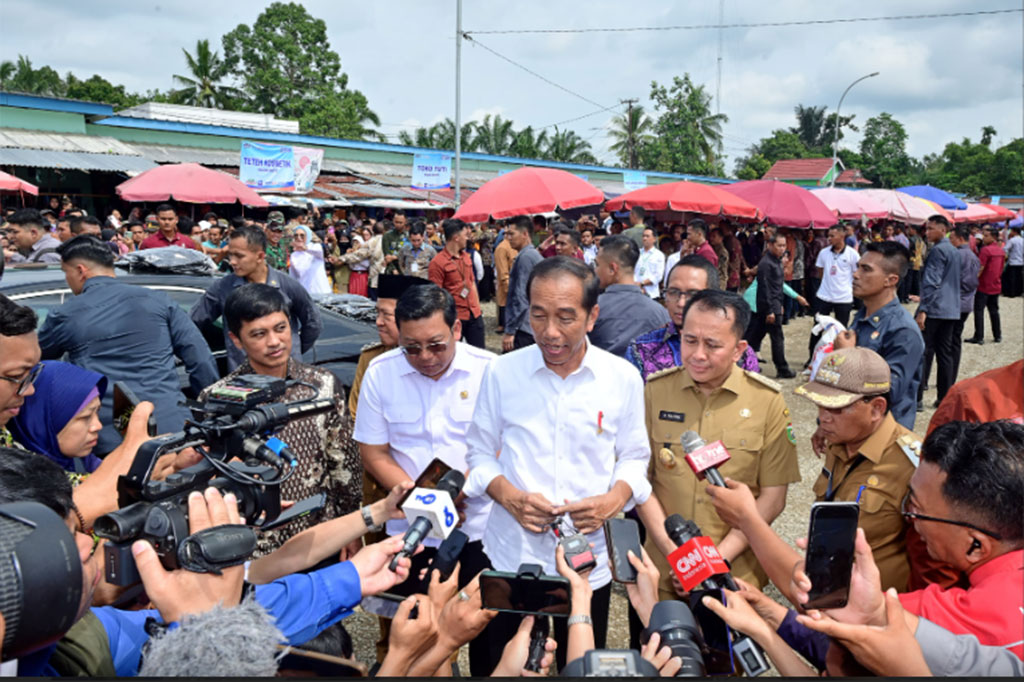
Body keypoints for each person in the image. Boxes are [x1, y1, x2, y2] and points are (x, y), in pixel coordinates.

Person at [466, 256, 652, 664]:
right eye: (538, 315)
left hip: (586, 560)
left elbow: (635, 458)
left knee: (580, 663)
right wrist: (510, 497)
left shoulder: (622, 378)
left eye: (566, 317)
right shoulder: (502, 372)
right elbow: (478, 454)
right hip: (511, 553)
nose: (550, 332)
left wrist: (612, 500)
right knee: (503, 662)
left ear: (592, 316)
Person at [354, 283, 497, 674]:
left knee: (490, 643)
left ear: (456, 330)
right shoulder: (381, 374)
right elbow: (374, 451)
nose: (425, 357)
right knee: (418, 647)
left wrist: (465, 489)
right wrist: (424, 498)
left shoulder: (491, 372)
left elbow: (503, 446)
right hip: (412, 534)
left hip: (483, 532)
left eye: (436, 345)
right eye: (411, 348)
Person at [795, 420, 1024, 661]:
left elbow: (837, 609)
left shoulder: (965, 619)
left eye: (917, 511)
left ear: (976, 546)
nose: (910, 520)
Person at [638, 289, 800, 595]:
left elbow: (773, 497)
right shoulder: (655, 391)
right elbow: (641, 483)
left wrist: (713, 562)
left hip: (734, 577)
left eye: (712, 345)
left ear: (739, 349)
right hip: (664, 571)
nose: (698, 355)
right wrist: (679, 557)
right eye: (690, 340)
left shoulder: (768, 401)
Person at [197, 284, 359, 556]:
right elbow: (212, 477)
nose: (274, 342)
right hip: (256, 549)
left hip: (319, 537)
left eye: (280, 328)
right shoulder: (218, 399)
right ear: (237, 339)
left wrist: (350, 527)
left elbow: (344, 464)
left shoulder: (322, 385)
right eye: (259, 334)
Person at [39, 236, 218, 454]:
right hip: (172, 429)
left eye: (65, 272)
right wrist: (210, 413)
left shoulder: (65, 315)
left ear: (80, 270)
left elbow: (32, 360)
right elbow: (200, 358)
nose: (67, 279)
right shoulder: (159, 300)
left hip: (110, 439)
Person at [191, 225, 322, 372]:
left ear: (260, 256)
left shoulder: (287, 285)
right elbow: (192, 323)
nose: (232, 262)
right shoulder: (222, 288)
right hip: (244, 379)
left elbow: (313, 324)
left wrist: (293, 351)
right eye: (230, 255)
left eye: (239, 256)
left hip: (286, 376)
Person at [832, 241, 924, 430]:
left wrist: (848, 358)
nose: (856, 274)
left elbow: (888, 393)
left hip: (880, 436)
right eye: (858, 267)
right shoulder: (863, 315)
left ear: (890, 280)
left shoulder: (903, 331)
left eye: (866, 269)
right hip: (851, 428)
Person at [627, 254, 759, 380]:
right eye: (673, 292)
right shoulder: (642, 350)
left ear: (713, 296)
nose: (681, 303)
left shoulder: (740, 354)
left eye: (693, 294)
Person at [8, 361, 106, 478]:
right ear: (41, 424)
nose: (98, 425)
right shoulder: (29, 482)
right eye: (85, 417)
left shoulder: (79, 459)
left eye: (98, 411)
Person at [589, 235, 670, 356]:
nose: (595, 271)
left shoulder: (593, 308)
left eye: (597, 265)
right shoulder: (660, 313)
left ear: (612, 268)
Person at [915, 214, 961, 409]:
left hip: (935, 309)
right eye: (926, 228)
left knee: (922, 352)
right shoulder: (954, 251)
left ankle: (917, 399)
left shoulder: (938, 250)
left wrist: (923, 309)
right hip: (951, 309)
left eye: (931, 228)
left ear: (943, 230)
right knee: (945, 354)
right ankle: (944, 398)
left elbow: (932, 282)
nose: (927, 232)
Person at [427, 219, 485, 349]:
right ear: (456, 237)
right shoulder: (437, 263)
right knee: (453, 354)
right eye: (465, 235)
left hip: (474, 314)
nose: (468, 238)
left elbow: (471, 283)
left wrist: (477, 308)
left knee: (479, 353)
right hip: (455, 317)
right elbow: (436, 296)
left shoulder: (466, 257)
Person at [746, 233, 796, 379]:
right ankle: (782, 367)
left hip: (773, 305)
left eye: (784, 246)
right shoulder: (766, 264)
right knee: (776, 338)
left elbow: (778, 287)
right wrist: (770, 310)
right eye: (779, 245)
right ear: (770, 245)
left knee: (754, 336)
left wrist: (779, 305)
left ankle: (745, 361)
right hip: (767, 307)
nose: (782, 249)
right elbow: (765, 288)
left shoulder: (776, 261)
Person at [808, 224, 860, 363]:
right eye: (828, 235)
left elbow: (856, 273)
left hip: (843, 298)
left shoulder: (852, 254)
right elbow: (820, 272)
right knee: (817, 328)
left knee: (841, 331)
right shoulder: (824, 253)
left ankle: (837, 359)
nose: (829, 238)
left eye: (832, 236)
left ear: (842, 236)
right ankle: (812, 358)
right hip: (824, 296)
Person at [501, 216, 543, 352]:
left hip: (524, 327)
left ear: (525, 234)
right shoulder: (530, 255)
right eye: (507, 234)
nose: (508, 238)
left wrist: (510, 331)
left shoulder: (526, 257)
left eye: (512, 234)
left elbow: (521, 297)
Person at [966, 226, 1005, 344]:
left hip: (984, 285)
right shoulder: (1001, 251)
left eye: (986, 235)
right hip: (996, 285)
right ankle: (997, 335)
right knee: (994, 311)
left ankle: (979, 336)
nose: (983, 237)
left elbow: (980, 268)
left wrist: (972, 280)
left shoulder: (985, 250)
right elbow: (1002, 268)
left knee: (979, 311)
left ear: (993, 237)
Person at [288, 225, 332, 295]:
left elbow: (319, 252)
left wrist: (304, 248)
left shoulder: (315, 247)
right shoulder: (294, 255)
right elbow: (293, 277)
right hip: (305, 293)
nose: (299, 238)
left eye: (302, 235)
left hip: (322, 292)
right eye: (296, 235)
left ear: (308, 235)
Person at [493, 225, 516, 332]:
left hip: (514, 281)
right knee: (504, 303)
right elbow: (502, 270)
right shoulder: (502, 247)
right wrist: (507, 285)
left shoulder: (514, 246)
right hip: (506, 283)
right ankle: (502, 325)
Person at [634, 227, 665, 299]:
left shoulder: (659, 255)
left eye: (647, 236)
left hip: (651, 294)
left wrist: (642, 283)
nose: (644, 238)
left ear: (654, 239)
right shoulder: (637, 253)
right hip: (636, 292)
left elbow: (658, 276)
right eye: (643, 236)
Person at [381, 210, 408, 276]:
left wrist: (395, 257)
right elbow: (387, 255)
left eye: (400, 222)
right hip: (391, 271)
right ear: (393, 221)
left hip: (406, 271)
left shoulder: (409, 236)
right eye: (396, 222)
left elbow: (409, 254)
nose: (398, 224)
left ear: (405, 221)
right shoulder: (387, 236)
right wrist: (393, 269)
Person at [1003, 226, 1023, 297]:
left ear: (1014, 231)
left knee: (1011, 278)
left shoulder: (1012, 240)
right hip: (1021, 262)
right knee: (1019, 278)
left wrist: (1007, 255)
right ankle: (1018, 292)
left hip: (1013, 261)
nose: (1010, 233)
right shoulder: (1022, 240)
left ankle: (1011, 293)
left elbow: (1005, 249)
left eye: (1011, 231)